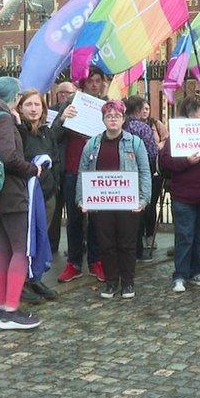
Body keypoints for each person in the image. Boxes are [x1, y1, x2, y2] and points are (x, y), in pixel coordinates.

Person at [0, 77, 43, 330]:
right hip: (10, 194)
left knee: (3, 250)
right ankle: (11, 310)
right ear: (15, 98)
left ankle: (1, 308)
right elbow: (9, 157)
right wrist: (32, 169)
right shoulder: (2, 119)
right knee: (19, 250)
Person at [77, 100, 151, 300]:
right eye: (109, 116)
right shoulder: (92, 144)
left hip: (128, 203)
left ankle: (127, 282)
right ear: (103, 119)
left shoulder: (135, 143)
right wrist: (82, 199)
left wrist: (143, 200)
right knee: (106, 244)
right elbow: (83, 172)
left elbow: (145, 171)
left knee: (127, 244)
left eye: (117, 116)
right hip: (101, 204)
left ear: (123, 119)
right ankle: (111, 282)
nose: (113, 119)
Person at [160, 97, 200, 292]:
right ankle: (179, 275)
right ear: (191, 116)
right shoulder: (177, 137)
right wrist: (186, 161)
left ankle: (196, 272)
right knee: (185, 236)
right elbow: (165, 164)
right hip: (184, 197)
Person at [53, 67, 108, 283]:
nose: (94, 84)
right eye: (90, 81)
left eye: (97, 81)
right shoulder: (71, 103)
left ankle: (96, 261)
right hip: (73, 170)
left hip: (99, 172)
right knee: (74, 219)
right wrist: (63, 118)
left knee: (97, 218)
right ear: (83, 84)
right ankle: (74, 263)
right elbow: (54, 134)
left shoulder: (109, 105)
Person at [16, 90, 60, 302]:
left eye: (37, 105)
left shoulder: (47, 131)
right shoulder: (18, 131)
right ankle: (21, 282)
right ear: (20, 107)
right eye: (28, 105)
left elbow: (55, 158)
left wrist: (55, 184)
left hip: (47, 193)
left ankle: (35, 279)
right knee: (25, 241)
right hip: (26, 196)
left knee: (41, 238)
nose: (33, 109)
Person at [121, 96, 160, 263]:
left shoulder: (121, 126)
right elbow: (152, 152)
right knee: (138, 213)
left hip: (121, 174)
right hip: (139, 173)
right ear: (137, 110)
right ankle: (137, 250)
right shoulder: (141, 127)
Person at [47, 81, 76, 254]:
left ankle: (77, 247)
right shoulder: (50, 112)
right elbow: (50, 136)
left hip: (74, 167)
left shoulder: (80, 110)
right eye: (61, 93)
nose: (65, 96)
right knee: (55, 211)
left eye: (68, 92)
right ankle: (52, 245)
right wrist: (62, 119)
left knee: (75, 212)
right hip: (56, 168)